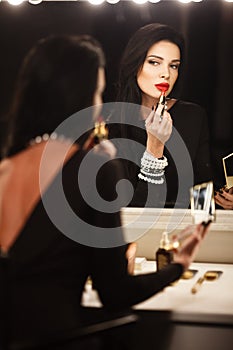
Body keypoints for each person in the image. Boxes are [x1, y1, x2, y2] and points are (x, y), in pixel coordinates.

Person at [0, 34, 210, 350]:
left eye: (174, 65)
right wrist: (178, 266)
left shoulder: (6, 167)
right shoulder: (95, 166)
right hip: (59, 340)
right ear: (80, 97)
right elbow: (115, 293)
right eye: (97, 92)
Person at [107, 23, 212, 208]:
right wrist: (155, 149)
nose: (166, 74)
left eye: (174, 66)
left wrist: (220, 200)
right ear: (135, 64)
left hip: (181, 232)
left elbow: (202, 190)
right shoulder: (110, 123)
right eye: (154, 62)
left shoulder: (193, 116)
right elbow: (126, 212)